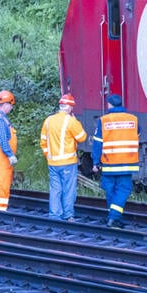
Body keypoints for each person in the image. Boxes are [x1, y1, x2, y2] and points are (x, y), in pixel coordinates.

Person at [91, 94, 139, 228]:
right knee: (123, 189)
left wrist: (96, 162)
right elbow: (137, 134)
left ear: (110, 105)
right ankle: (114, 217)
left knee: (110, 189)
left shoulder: (104, 120)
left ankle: (112, 216)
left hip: (109, 162)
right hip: (128, 162)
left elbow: (97, 143)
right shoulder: (133, 119)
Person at [40, 93, 88, 222]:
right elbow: (82, 137)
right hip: (68, 162)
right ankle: (68, 215)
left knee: (55, 189)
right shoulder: (71, 121)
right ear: (69, 107)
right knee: (68, 189)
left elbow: (43, 141)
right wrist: (76, 121)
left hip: (52, 162)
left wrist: (48, 155)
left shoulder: (48, 120)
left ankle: (55, 215)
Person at [0, 90, 18, 212]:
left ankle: (1, 208)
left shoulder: (1, 118)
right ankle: (1, 210)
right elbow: (2, 139)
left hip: (2, 155)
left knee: (5, 181)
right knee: (3, 182)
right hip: (1, 155)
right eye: (10, 105)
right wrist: (10, 155)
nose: (11, 108)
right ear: (5, 104)